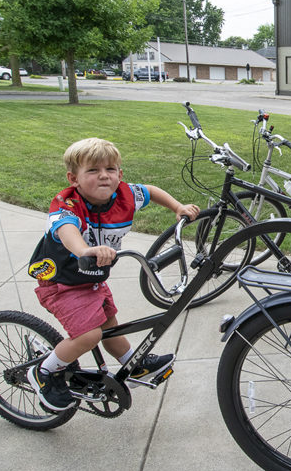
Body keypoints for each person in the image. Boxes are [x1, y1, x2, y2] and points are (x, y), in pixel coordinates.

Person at [26, 137, 200, 411]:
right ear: (74, 179)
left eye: (110, 169)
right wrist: (86, 250)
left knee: (111, 328)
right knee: (89, 335)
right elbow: (67, 232)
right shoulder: (66, 206)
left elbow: (151, 191)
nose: (104, 175)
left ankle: (134, 365)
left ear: (120, 174)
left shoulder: (125, 195)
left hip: (93, 278)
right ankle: (44, 372)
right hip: (61, 283)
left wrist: (177, 207)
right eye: (93, 170)